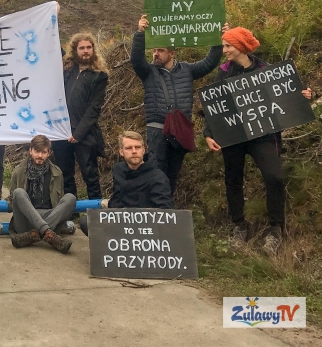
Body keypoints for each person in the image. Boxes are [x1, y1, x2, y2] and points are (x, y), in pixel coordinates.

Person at [204, 27, 312, 254]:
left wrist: (302, 97)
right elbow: (216, 105)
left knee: (275, 177)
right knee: (233, 180)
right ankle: (238, 226)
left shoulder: (265, 70)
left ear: (241, 46)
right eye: (224, 46)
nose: (224, 51)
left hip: (262, 135)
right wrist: (208, 134)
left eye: (228, 46)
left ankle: (275, 229)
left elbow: (285, 95)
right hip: (232, 136)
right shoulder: (223, 71)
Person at [132, 15, 224, 196]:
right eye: (154, 50)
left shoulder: (187, 70)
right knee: (156, 173)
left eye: (160, 50)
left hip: (179, 131)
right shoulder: (148, 71)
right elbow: (136, 60)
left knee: (173, 174)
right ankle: (157, 211)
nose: (155, 54)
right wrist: (140, 33)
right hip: (157, 131)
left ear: (172, 53)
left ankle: (168, 212)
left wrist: (218, 39)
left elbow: (209, 62)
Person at [80, 131, 173, 236]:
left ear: (143, 150)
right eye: (129, 148)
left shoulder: (158, 177)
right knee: (86, 221)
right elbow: (117, 199)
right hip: (120, 221)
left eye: (137, 147)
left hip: (145, 227)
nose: (134, 151)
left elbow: (166, 212)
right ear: (121, 152)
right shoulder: (118, 169)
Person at [51, 32, 108, 200]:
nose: (85, 51)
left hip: (84, 133)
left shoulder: (99, 76)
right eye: (82, 48)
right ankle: (70, 211)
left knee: (90, 175)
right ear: (75, 50)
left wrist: (78, 134)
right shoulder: (67, 69)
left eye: (89, 47)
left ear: (93, 50)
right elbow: (52, 46)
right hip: (61, 131)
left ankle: (95, 212)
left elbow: (94, 109)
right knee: (65, 174)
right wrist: (52, 17)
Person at [6, 135, 77, 253]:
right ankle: (47, 233)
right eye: (37, 151)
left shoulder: (57, 173)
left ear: (49, 153)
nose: (40, 155)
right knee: (18, 192)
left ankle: (34, 235)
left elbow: (59, 204)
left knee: (70, 198)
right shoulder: (18, 171)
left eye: (43, 152)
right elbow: (12, 198)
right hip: (25, 220)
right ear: (30, 151)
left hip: (49, 217)